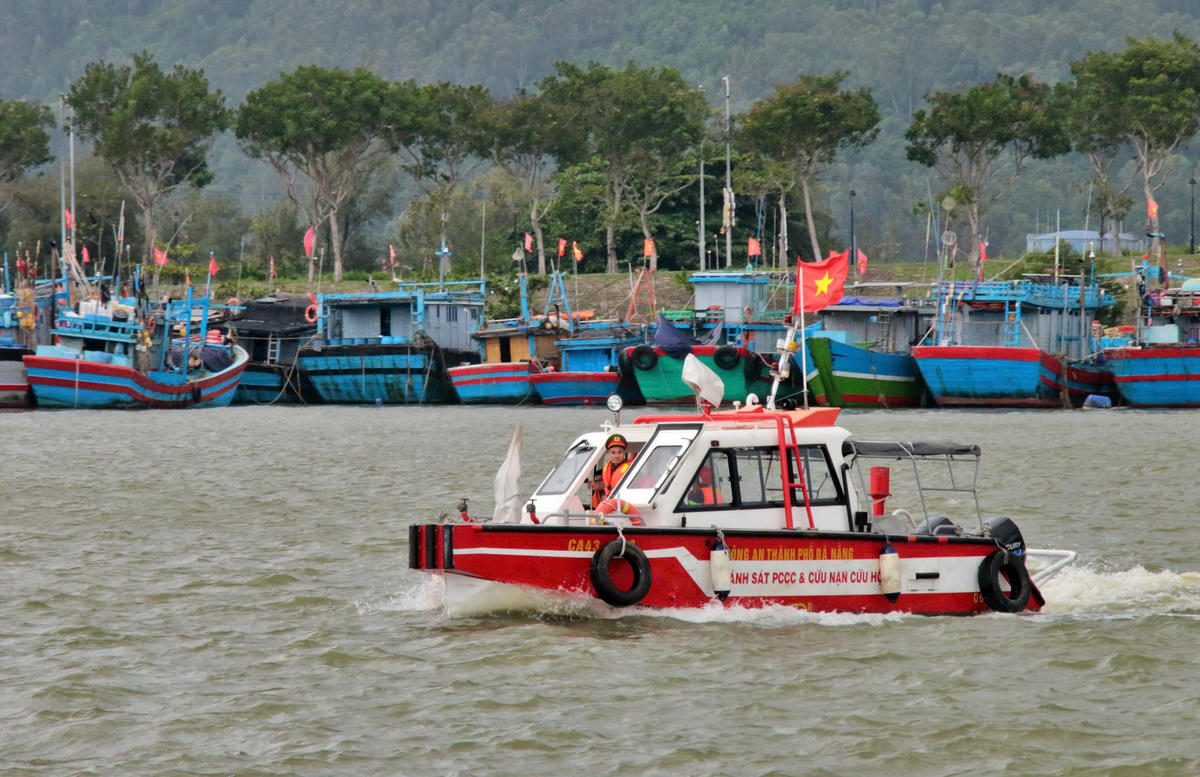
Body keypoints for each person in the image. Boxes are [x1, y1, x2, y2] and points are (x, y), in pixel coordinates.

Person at [600, 433, 634, 499]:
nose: (616, 456)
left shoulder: (632, 468)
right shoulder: (607, 468)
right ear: (609, 453)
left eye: (619, 452)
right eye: (613, 453)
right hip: (609, 501)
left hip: (624, 503)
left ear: (624, 453)